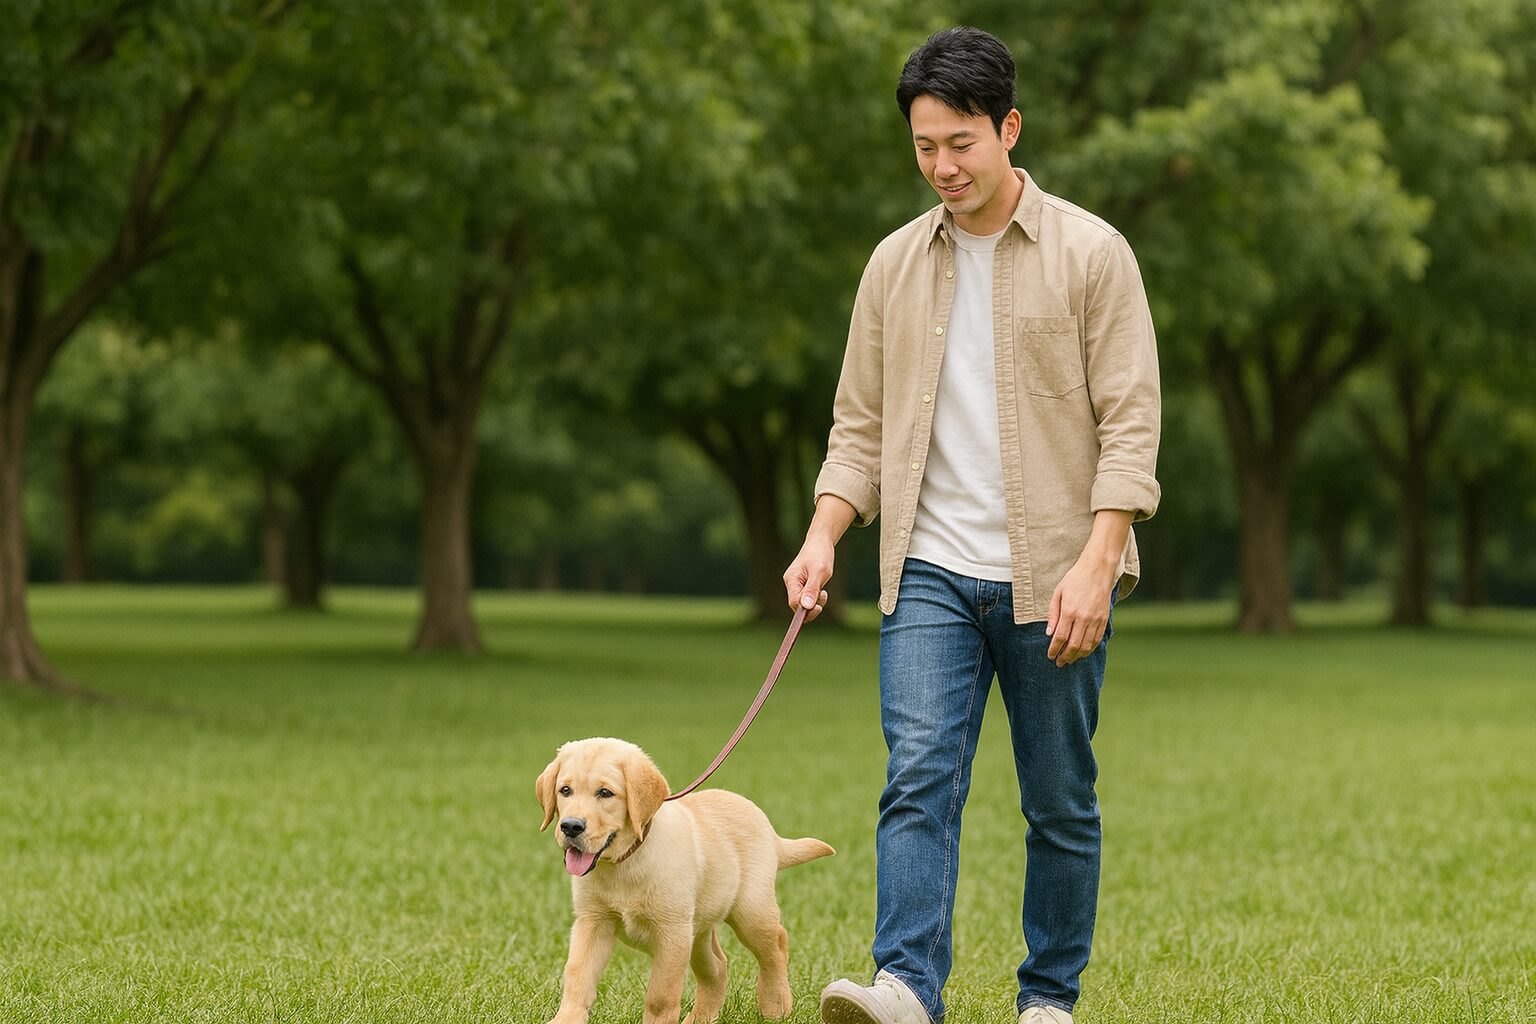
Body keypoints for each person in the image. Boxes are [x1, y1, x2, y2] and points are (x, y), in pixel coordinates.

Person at [782, 26, 1161, 1024]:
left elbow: (1131, 427)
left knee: (1059, 798)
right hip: (929, 568)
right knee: (917, 779)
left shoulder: (1093, 254)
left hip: (1057, 575)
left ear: (1009, 129)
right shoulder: (892, 266)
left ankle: (1048, 1000)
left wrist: (1099, 561)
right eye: (924, 146)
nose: (943, 165)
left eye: (961, 142)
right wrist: (823, 533)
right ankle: (905, 986)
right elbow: (858, 425)